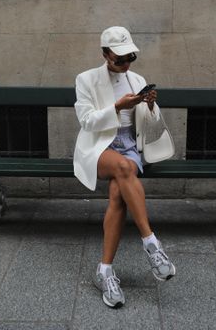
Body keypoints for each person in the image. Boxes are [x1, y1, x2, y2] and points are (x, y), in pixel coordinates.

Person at [73, 26, 175, 309]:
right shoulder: (86, 79)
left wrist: (150, 107)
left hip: (129, 145)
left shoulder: (137, 79)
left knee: (118, 193)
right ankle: (150, 242)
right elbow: (87, 121)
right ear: (105, 54)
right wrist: (117, 107)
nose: (125, 63)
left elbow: (145, 122)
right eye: (119, 58)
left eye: (129, 57)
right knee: (123, 169)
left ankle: (105, 271)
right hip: (99, 147)